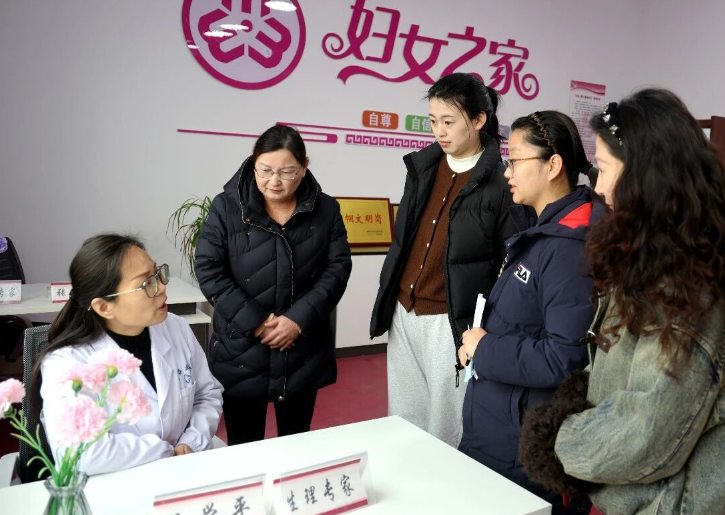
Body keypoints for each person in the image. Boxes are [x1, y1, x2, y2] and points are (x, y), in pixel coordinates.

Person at [520, 89, 725, 515]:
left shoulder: (684, 288)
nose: (599, 186)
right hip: (661, 512)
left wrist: (558, 443)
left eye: (605, 168)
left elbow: (647, 431)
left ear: (644, 175)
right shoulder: (679, 258)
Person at [456, 111, 602, 515]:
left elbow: (564, 357)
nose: (507, 172)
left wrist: (483, 347)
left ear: (553, 165)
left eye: (516, 160)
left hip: (525, 447)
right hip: (504, 429)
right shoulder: (543, 230)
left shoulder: (567, 248)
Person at [370, 73, 515, 446]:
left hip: (451, 319)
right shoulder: (423, 167)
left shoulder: (501, 181)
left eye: (448, 121)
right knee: (403, 417)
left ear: (479, 119)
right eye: (433, 121)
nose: (439, 131)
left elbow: (509, 260)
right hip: (404, 309)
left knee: (446, 424)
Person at [194, 125, 352, 446]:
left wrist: (297, 320)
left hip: (301, 349)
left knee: (295, 445)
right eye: (265, 170)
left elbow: (337, 269)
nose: (274, 181)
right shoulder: (227, 207)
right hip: (242, 350)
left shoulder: (325, 209)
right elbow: (209, 269)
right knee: (244, 447)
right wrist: (256, 322)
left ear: (304, 167)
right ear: (253, 163)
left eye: (286, 172)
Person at [36, 234, 223, 475]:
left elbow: (207, 394)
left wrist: (192, 441)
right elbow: (83, 454)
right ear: (104, 307)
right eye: (147, 284)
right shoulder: (66, 365)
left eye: (158, 274)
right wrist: (165, 452)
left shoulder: (176, 328)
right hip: (114, 486)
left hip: (183, 474)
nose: (162, 287)